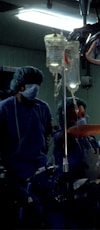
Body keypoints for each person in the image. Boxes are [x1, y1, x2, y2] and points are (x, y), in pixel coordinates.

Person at [51, 96, 100, 228]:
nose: (81, 120)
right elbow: (73, 132)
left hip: (91, 194)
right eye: (75, 118)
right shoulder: (60, 136)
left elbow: (97, 165)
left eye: (83, 115)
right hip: (70, 195)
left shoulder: (90, 139)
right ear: (64, 120)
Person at [0, 66, 53, 228]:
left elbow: (48, 134)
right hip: (13, 172)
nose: (34, 88)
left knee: (41, 215)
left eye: (37, 84)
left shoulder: (42, 108)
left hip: (39, 169)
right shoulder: (5, 108)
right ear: (19, 85)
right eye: (30, 84)